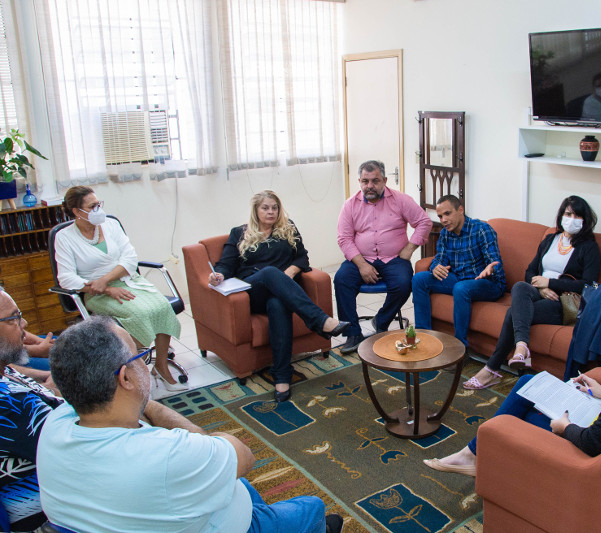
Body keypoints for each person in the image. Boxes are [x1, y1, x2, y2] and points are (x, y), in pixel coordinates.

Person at [37, 316, 342, 533]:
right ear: (124, 378)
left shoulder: (54, 423)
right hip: (229, 525)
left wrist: (143, 401)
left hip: (156, 511)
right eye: (142, 356)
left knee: (239, 486)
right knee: (312, 507)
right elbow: (242, 455)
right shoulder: (166, 454)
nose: (146, 363)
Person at [423, 277, 601, 476]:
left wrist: (563, 426)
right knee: (527, 382)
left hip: (600, 444)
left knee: (518, 413)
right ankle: (473, 454)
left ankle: (476, 455)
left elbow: (595, 442)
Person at [210, 190, 348, 402]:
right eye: (265, 208)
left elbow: (302, 257)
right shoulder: (239, 233)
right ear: (256, 210)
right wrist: (218, 275)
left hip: (282, 290)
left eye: (274, 207)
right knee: (269, 273)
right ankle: (320, 320)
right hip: (252, 291)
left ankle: (282, 376)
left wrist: (291, 272)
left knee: (277, 304)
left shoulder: (288, 228)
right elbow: (226, 264)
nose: (271, 212)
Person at [54, 186, 186, 391]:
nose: (99, 209)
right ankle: (132, 369)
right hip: (95, 293)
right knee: (140, 314)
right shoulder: (64, 238)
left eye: (99, 204)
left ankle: (160, 366)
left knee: (161, 307)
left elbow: (130, 258)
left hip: (128, 280)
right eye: (92, 206)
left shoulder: (110, 225)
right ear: (76, 212)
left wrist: (106, 279)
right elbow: (66, 278)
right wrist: (105, 288)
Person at [464, 196, 600, 389]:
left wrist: (551, 282)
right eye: (568, 214)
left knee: (513, 313)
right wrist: (543, 287)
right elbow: (530, 272)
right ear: (561, 216)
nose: (572, 219)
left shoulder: (589, 247)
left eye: (577, 215)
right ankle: (521, 347)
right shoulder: (550, 239)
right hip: (540, 292)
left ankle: (492, 369)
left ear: (585, 220)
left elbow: (588, 285)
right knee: (520, 286)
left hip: (563, 302)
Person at [335, 160, 432, 354]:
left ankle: (381, 320)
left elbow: (424, 222)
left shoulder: (401, 200)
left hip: (393, 258)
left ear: (385, 180)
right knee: (341, 280)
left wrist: (410, 248)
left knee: (405, 283)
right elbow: (344, 238)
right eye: (365, 181)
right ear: (359, 181)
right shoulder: (350, 205)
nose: (369, 186)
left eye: (375, 181)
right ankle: (353, 333)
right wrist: (362, 265)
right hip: (361, 258)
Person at [0, 290, 62, 531]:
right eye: (14, 318)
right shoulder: (13, 404)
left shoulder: (6, 370)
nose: (24, 324)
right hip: (51, 517)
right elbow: (90, 449)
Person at [412, 195, 506, 347]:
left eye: (447, 214)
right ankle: (424, 338)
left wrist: (490, 269)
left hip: (487, 283)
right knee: (419, 279)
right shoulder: (445, 234)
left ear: (460, 210)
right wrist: (436, 266)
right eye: (440, 216)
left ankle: (460, 347)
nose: (443, 220)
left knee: (461, 288)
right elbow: (439, 259)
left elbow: (495, 262)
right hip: (459, 279)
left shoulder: (481, 229)